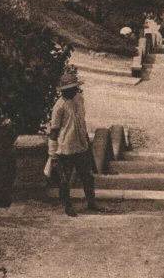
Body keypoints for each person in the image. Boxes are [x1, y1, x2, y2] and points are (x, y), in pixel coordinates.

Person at [48, 67, 105, 217]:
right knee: (65, 179)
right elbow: (53, 132)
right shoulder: (58, 107)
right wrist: (53, 154)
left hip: (81, 146)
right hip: (65, 148)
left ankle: (91, 202)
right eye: (70, 89)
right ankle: (68, 205)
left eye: (74, 88)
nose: (73, 91)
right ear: (63, 91)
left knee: (88, 176)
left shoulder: (79, 99)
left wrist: (86, 141)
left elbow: (82, 122)